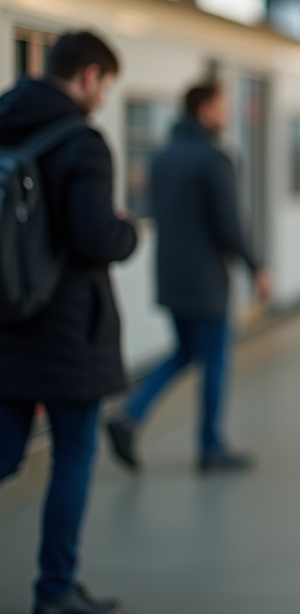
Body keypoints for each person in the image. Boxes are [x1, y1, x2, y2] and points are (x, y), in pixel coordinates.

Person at [0, 31, 138, 614]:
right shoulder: (84, 144)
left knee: (5, 453)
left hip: (4, 321)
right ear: (88, 77)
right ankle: (54, 591)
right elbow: (94, 237)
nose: (102, 98)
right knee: (73, 454)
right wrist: (126, 229)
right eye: (104, 85)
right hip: (65, 331)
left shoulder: (4, 121)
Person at [106, 79, 270, 474]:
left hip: (171, 274)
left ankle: (129, 416)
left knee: (184, 352)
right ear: (206, 109)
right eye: (223, 105)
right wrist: (256, 266)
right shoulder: (215, 159)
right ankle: (210, 447)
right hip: (206, 280)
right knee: (215, 359)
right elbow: (229, 224)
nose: (227, 113)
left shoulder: (161, 157)